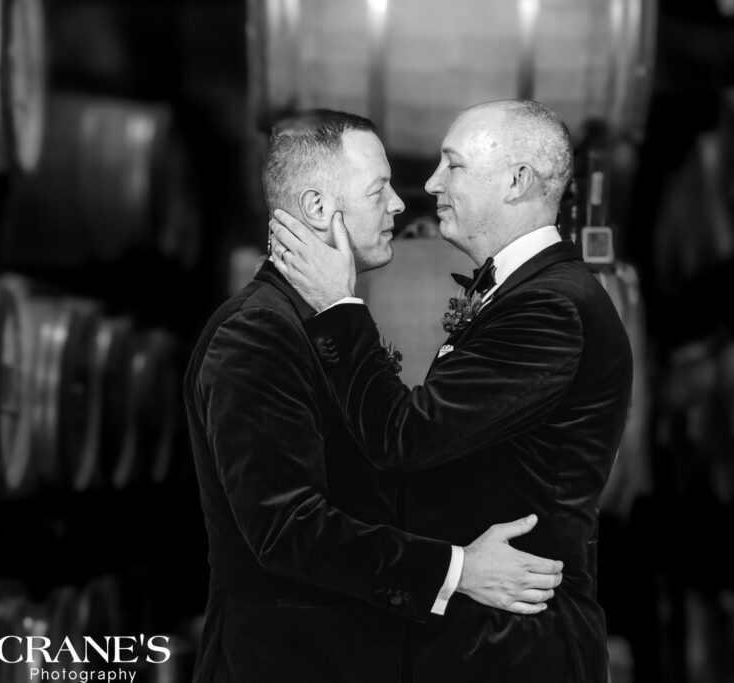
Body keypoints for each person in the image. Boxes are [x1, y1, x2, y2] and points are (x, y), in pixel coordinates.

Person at [183, 109, 564, 683]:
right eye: (378, 189)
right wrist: (458, 570)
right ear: (316, 208)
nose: (398, 205)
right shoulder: (258, 332)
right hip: (285, 661)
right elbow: (289, 529)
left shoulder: (312, 319)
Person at [269, 99, 633, 683]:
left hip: (514, 647)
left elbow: (404, 436)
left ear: (517, 182)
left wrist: (337, 306)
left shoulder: (551, 307)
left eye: (453, 165)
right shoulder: (528, 294)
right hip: (484, 637)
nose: (432, 183)